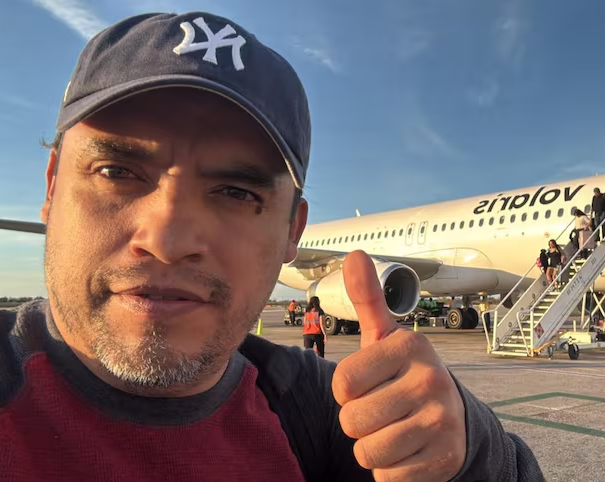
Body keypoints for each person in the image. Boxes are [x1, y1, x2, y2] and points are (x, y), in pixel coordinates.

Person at [0, 11, 544, 482]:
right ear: (51, 187)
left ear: (292, 230)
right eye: (116, 171)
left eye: (236, 192)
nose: (166, 241)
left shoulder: (331, 412)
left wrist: (470, 454)